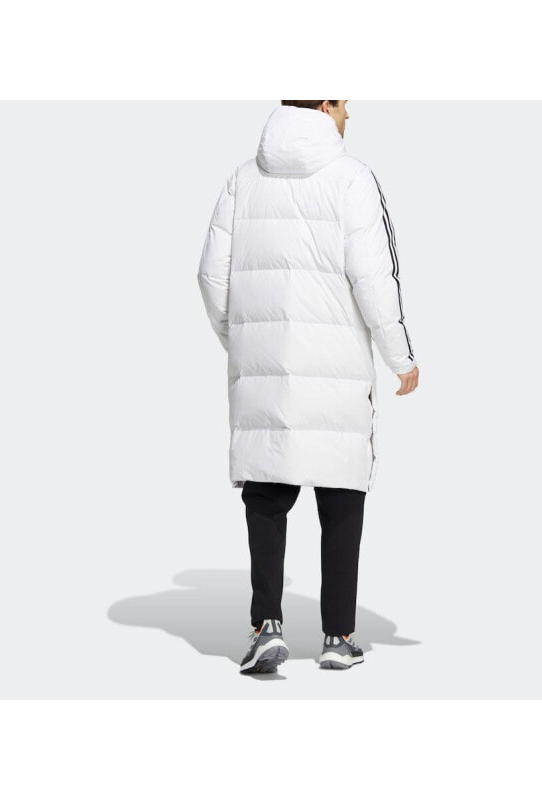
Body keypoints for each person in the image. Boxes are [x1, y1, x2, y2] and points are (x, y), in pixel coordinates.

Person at [198, 100, 419, 674]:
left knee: (267, 492)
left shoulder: (242, 180)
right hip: (338, 366)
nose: (348, 114)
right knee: (341, 492)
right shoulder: (353, 179)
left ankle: (266, 626)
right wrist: (400, 356)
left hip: (264, 364)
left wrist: (241, 341)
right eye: (343, 102)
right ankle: (338, 637)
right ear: (325, 105)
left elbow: (211, 276)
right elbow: (375, 279)